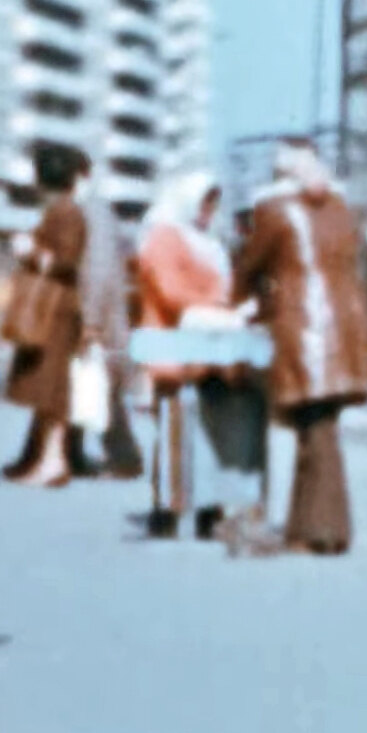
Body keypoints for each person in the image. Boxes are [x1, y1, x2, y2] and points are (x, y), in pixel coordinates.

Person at [232, 139, 367, 557]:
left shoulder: (273, 210)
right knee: (320, 425)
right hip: (343, 328)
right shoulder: (340, 208)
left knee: (315, 429)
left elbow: (250, 266)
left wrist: (235, 302)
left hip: (302, 327)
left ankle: (324, 529)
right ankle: (309, 526)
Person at [134, 170, 266, 543]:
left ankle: (209, 509)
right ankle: (168, 509)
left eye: (213, 203)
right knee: (174, 427)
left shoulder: (209, 243)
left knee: (212, 427)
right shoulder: (164, 235)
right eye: (204, 201)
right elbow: (169, 290)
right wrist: (220, 302)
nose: (208, 210)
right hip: (173, 344)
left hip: (210, 347)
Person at [1, 142, 89, 490]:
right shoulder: (65, 209)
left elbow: (66, 260)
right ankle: (38, 457)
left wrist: (31, 251)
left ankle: (53, 463)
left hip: (55, 311)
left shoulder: (65, 212)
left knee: (52, 389)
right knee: (46, 387)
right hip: (58, 309)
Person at [72, 164, 143, 482]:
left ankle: (125, 458)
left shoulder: (93, 211)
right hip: (96, 314)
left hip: (101, 318)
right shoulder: (88, 209)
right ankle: (72, 454)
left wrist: (91, 320)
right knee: (83, 382)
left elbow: (99, 270)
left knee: (101, 386)